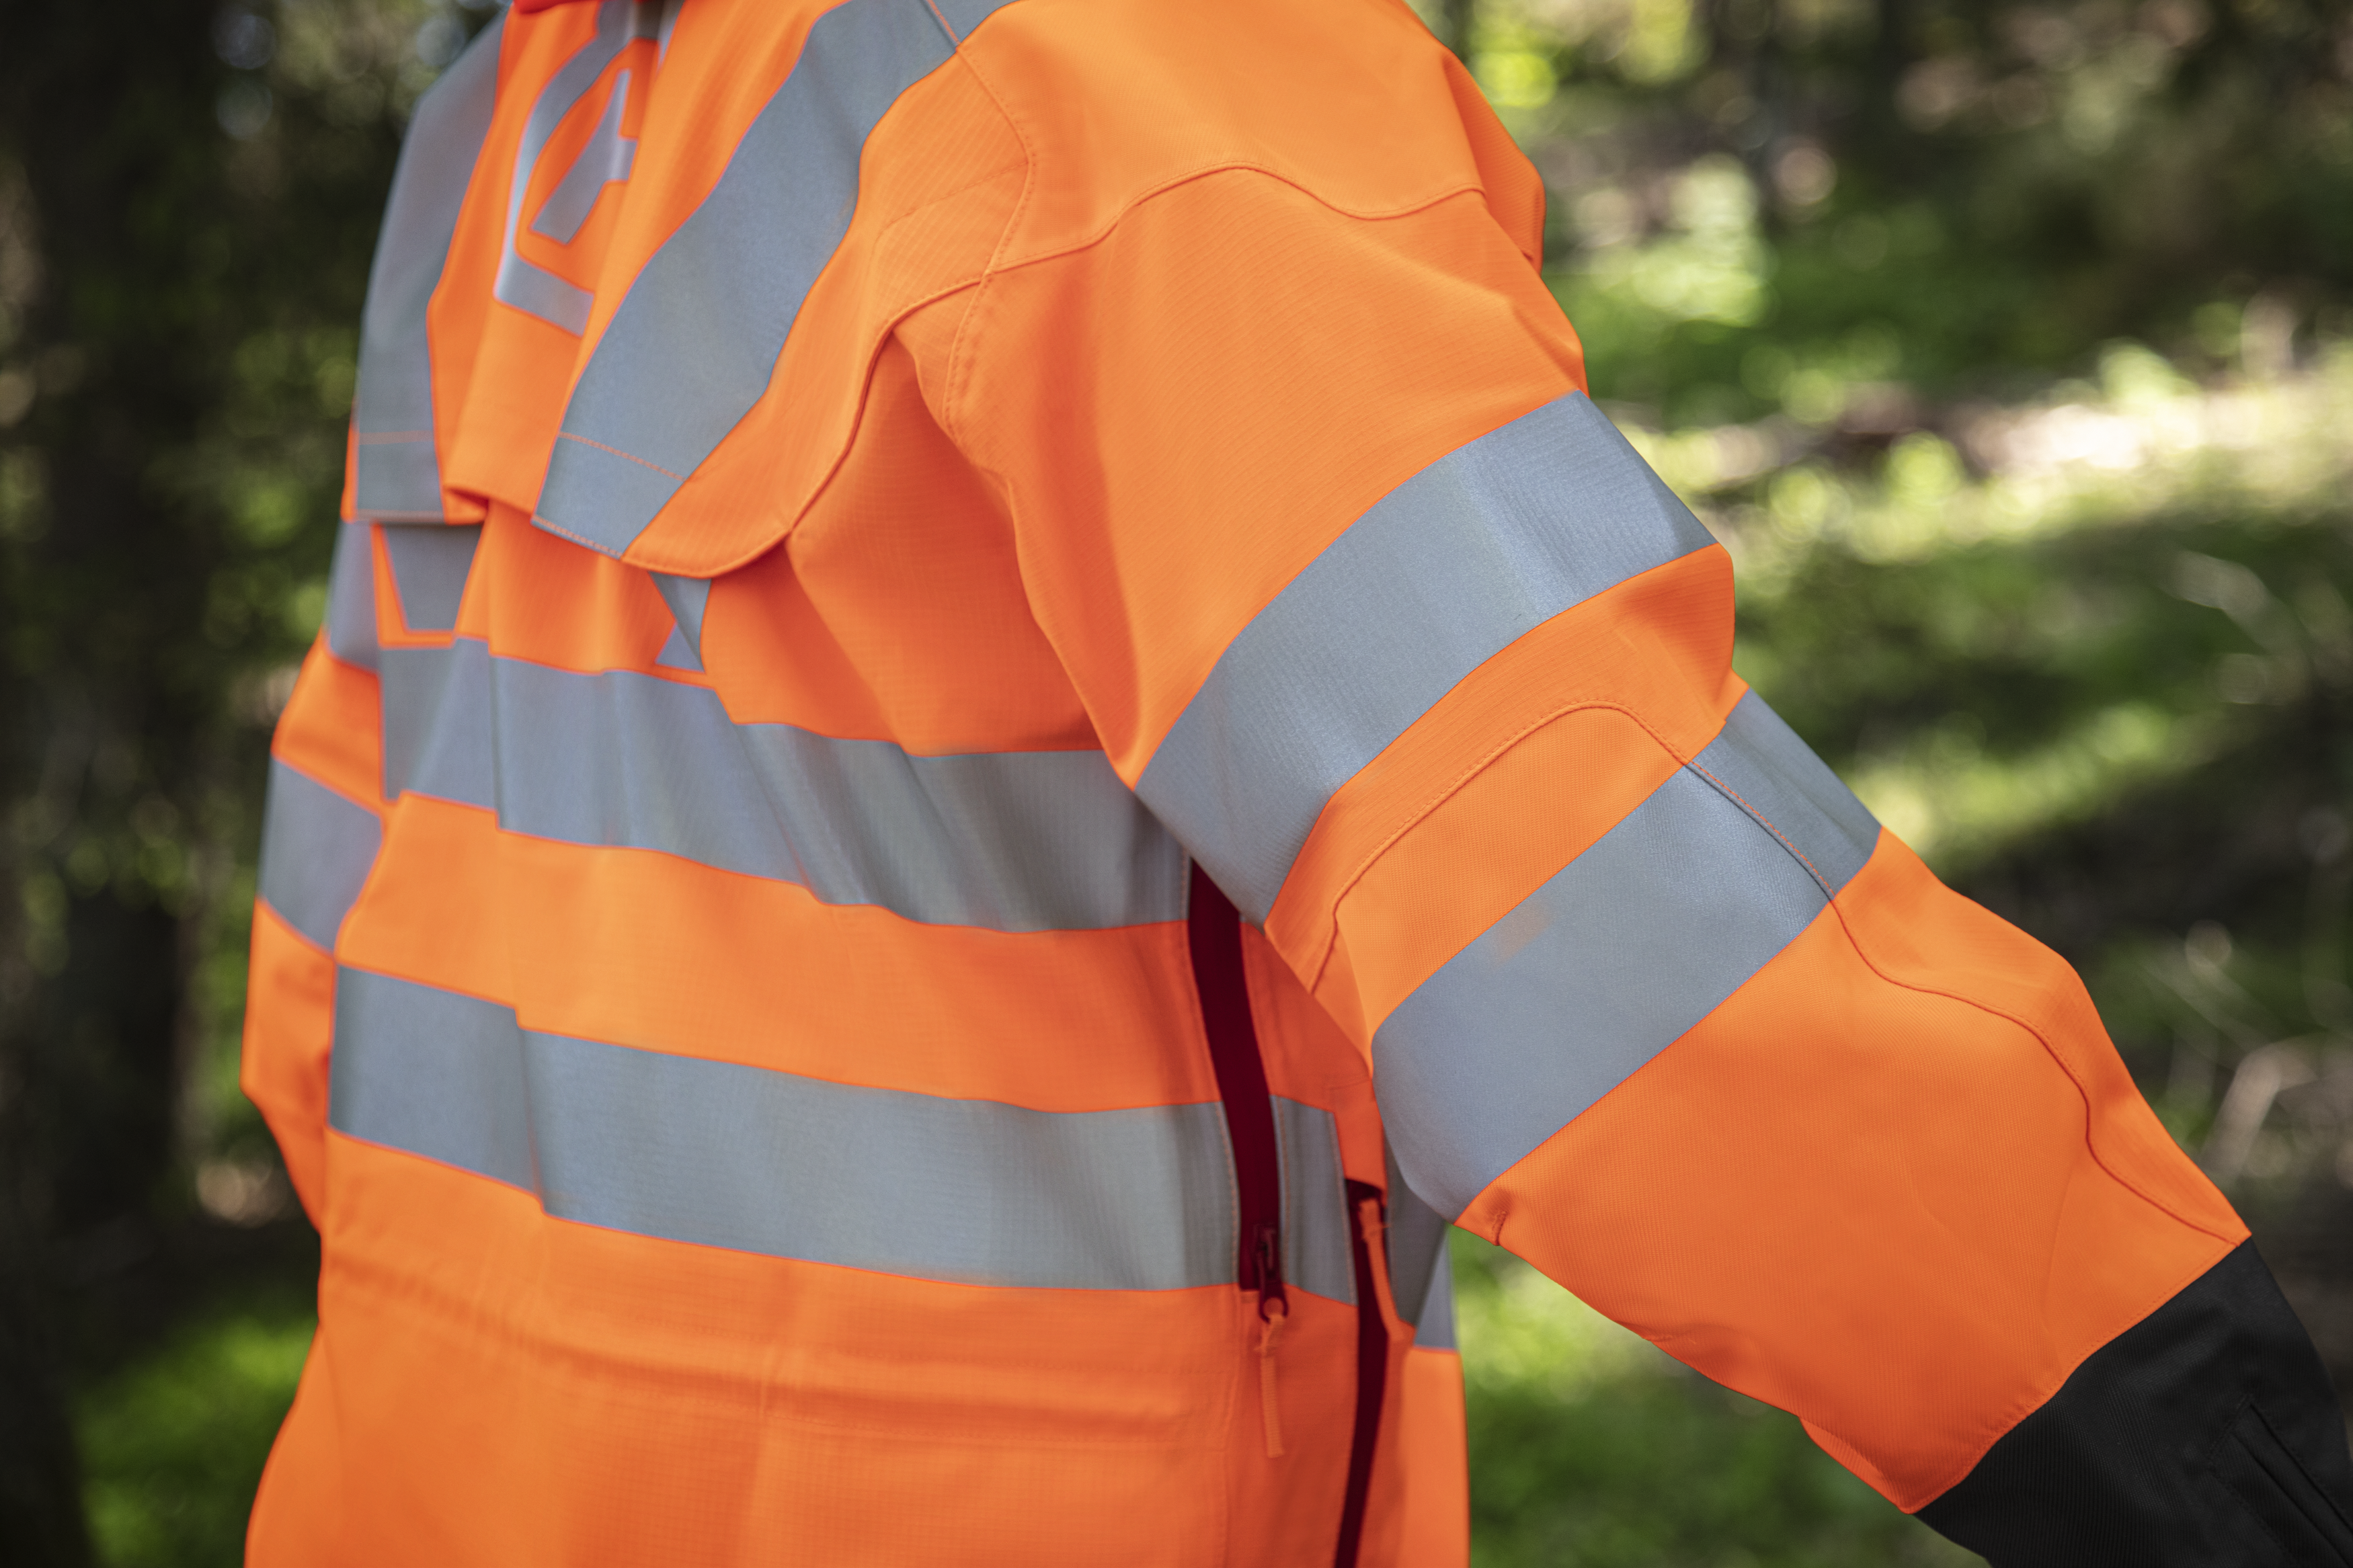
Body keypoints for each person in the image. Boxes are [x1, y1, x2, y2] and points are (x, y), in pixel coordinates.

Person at [239, 0, 2353, 1561]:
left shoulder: (515, 105)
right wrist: (2220, 1469)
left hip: (415, 1471)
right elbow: (1606, 926)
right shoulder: (1139, 71)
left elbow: (336, 943)